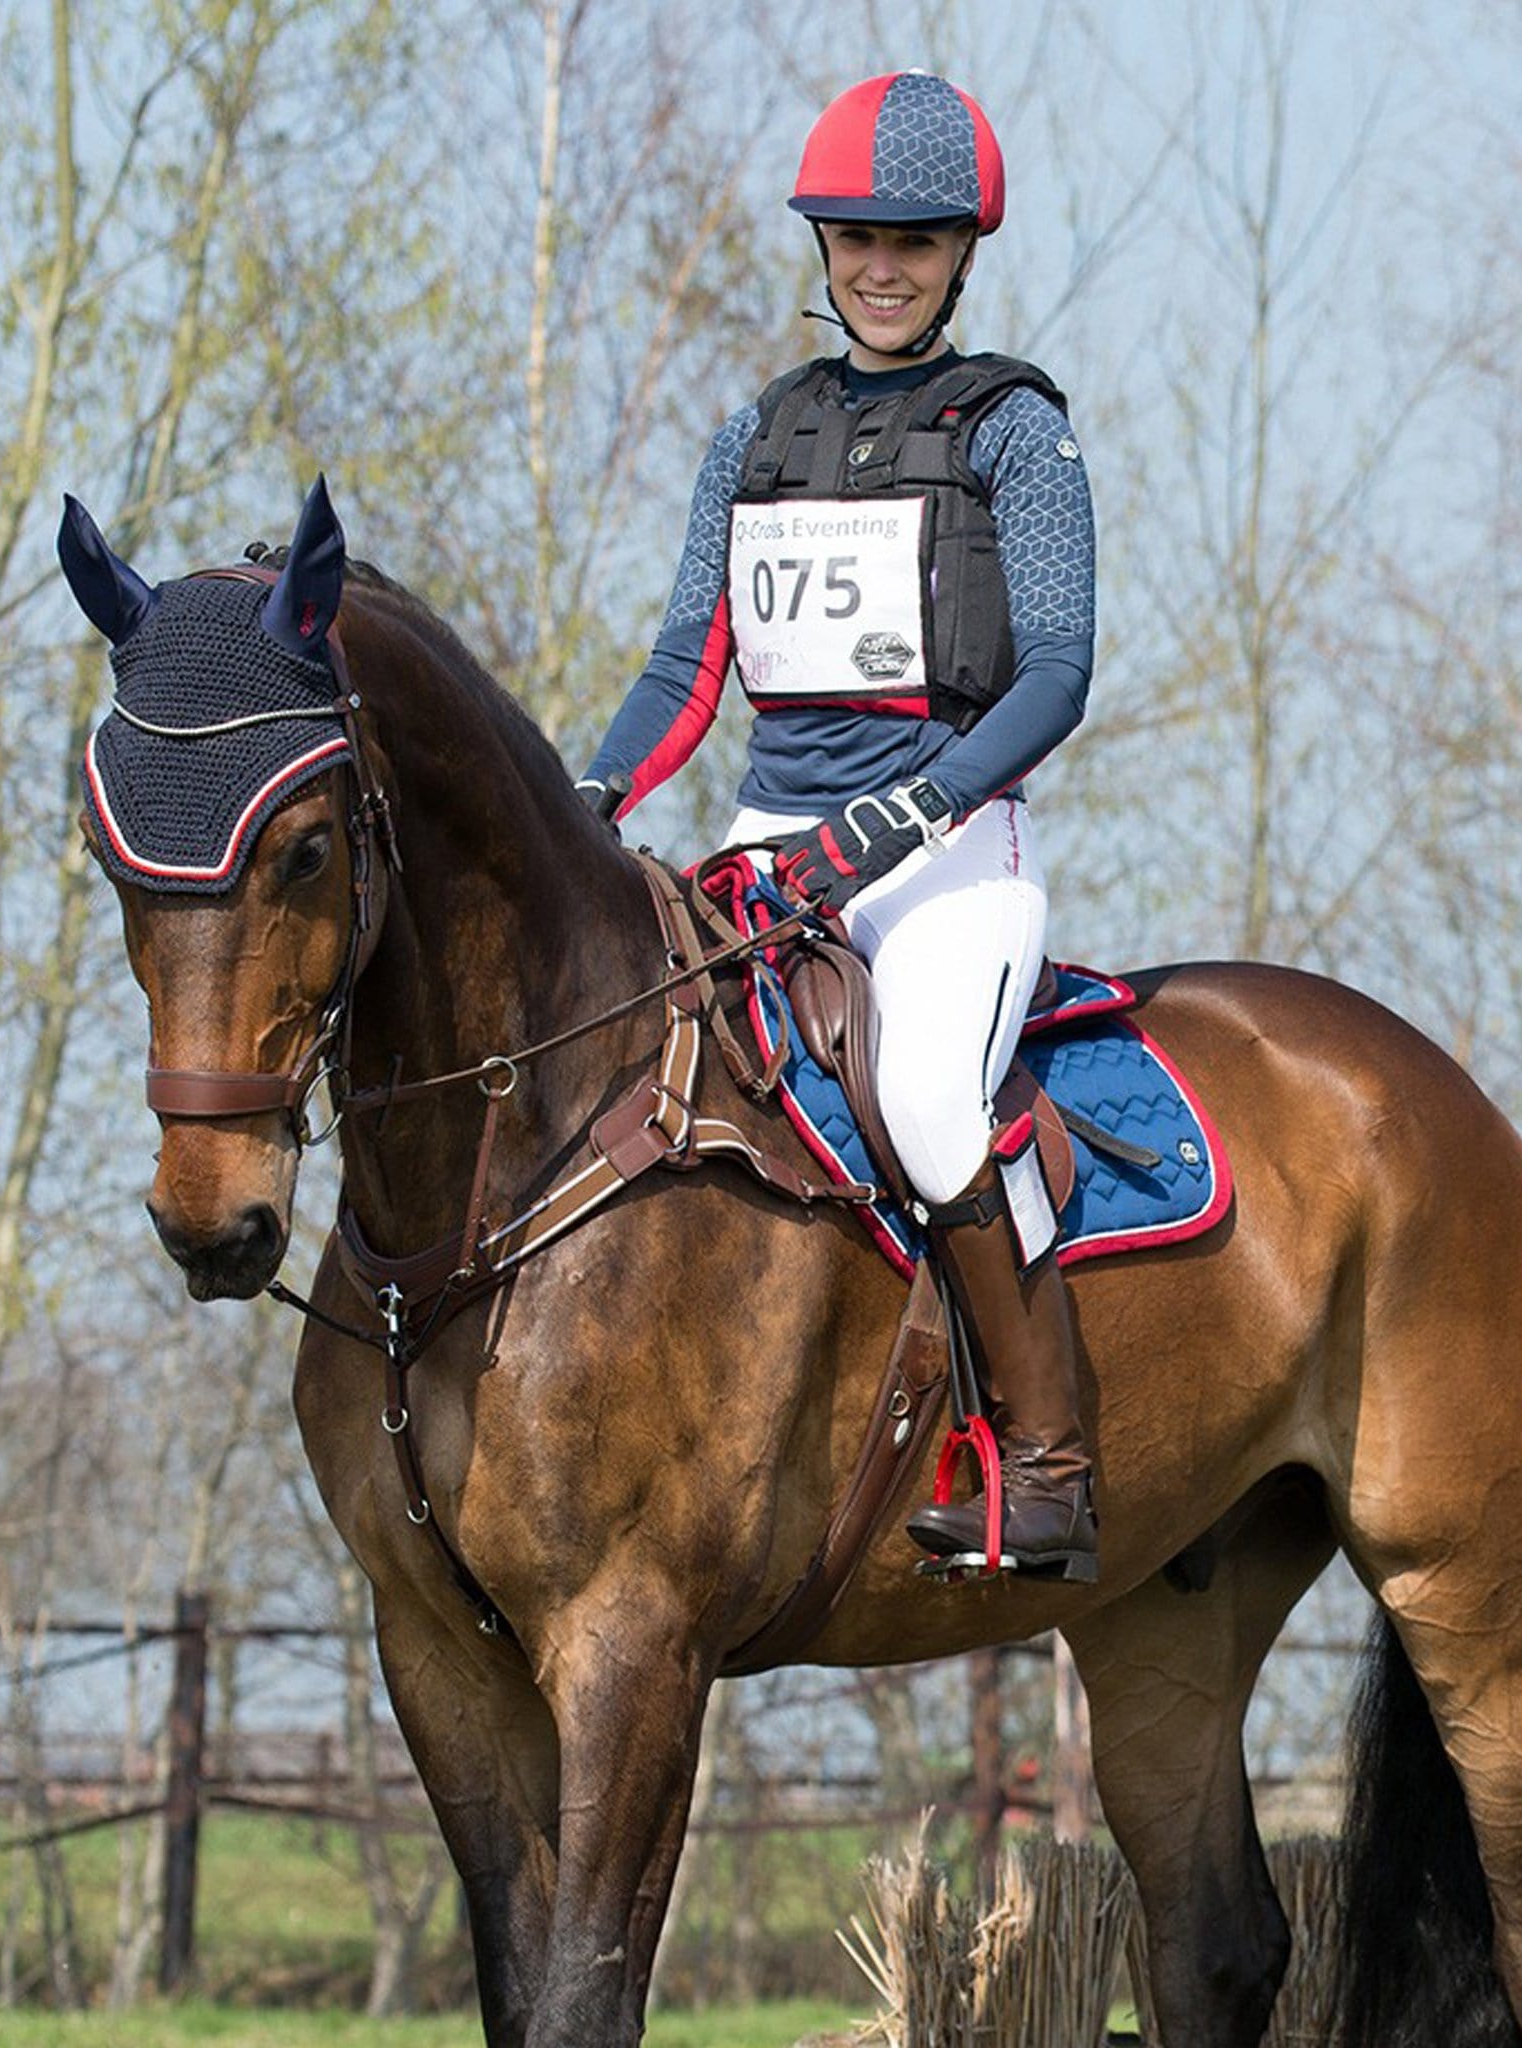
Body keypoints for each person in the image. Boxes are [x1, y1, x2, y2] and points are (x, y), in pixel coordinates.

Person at [576, 70, 1098, 1581]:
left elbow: (1056, 672)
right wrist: (591, 798)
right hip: (770, 849)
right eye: (857, 238)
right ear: (823, 248)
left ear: (961, 257)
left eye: (916, 244)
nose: (883, 267)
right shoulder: (753, 437)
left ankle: (1049, 1463)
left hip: (949, 852)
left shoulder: (1018, 431)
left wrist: (903, 815)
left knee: (934, 1101)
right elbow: (691, 665)